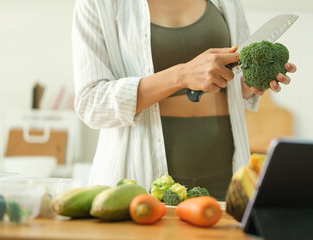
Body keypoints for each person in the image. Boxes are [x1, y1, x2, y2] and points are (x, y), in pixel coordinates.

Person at [72, 0, 296, 200]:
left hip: (224, 167)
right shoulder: (98, 4)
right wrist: (181, 75)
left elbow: (233, 80)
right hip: (140, 171)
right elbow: (91, 102)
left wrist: (250, 83)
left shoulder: (228, 3)